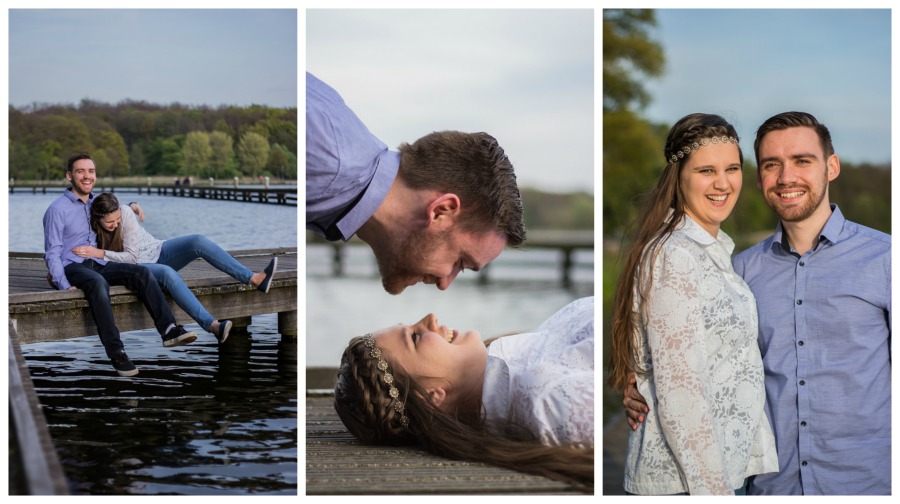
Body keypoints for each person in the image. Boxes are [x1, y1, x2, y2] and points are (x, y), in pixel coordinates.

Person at [623, 111, 891, 495]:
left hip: (863, 484)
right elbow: (682, 366)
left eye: (802, 161)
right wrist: (639, 380)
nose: (786, 177)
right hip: (766, 486)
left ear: (831, 166)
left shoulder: (885, 259)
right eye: (771, 164)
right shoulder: (742, 270)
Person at [608, 113, 778, 495]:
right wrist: (715, 492)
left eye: (732, 168)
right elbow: (681, 388)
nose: (723, 183)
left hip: (710, 474)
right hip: (689, 481)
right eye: (706, 170)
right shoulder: (675, 255)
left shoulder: (711, 251)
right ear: (678, 176)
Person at [333, 296, 594, 491]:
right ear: (430, 396)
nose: (430, 318)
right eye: (414, 337)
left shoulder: (521, 367)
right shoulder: (549, 399)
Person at [306, 72, 526, 294]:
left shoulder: (337, 169)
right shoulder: (324, 155)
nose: (444, 283)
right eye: (460, 262)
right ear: (441, 211)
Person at [44, 153, 197, 377]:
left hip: (99, 262)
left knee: (142, 272)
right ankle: (117, 351)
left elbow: (113, 209)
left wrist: (131, 206)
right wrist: (63, 284)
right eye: (80, 171)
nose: (87, 176)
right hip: (73, 265)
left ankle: (169, 330)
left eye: (91, 171)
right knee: (97, 283)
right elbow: (52, 251)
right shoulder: (56, 210)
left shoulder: (96, 203)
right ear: (69, 176)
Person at [71, 192, 278, 344]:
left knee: (197, 241)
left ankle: (254, 279)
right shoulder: (90, 227)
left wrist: (131, 206)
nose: (115, 224)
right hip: (140, 267)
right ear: (98, 219)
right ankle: (213, 326)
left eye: (118, 220)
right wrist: (91, 259)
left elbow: (117, 211)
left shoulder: (123, 211)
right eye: (110, 223)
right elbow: (132, 260)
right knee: (167, 274)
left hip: (158, 249)